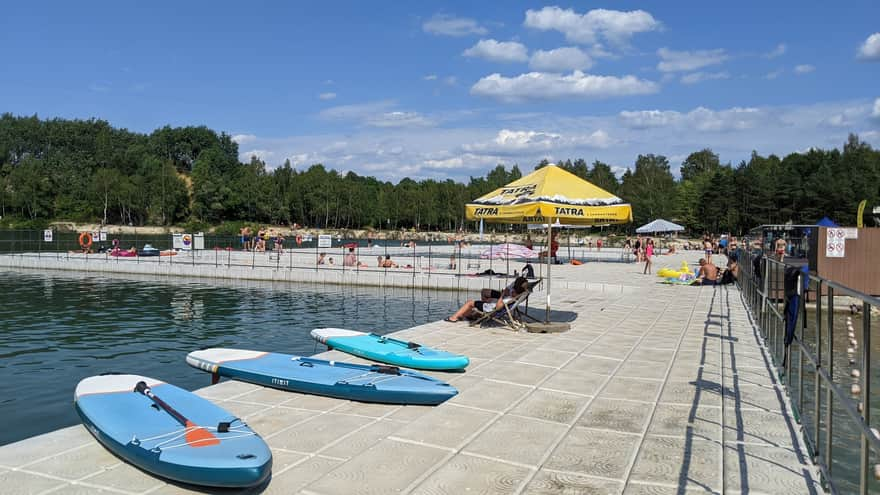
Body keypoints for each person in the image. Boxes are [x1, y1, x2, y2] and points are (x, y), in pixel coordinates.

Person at [445, 276, 530, 322]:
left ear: (516, 290)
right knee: (484, 292)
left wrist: (502, 295)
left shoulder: (509, 299)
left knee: (469, 302)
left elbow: (498, 308)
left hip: (491, 309)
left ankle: (453, 317)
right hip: (496, 304)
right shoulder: (521, 293)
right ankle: (475, 315)